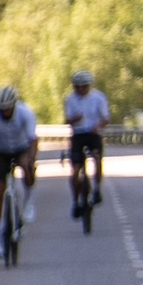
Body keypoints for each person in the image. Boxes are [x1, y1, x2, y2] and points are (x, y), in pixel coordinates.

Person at [0, 84, 38, 224]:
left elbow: (33, 139)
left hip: (20, 147)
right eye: (2, 109)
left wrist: (31, 159)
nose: (5, 112)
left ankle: (28, 200)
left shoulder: (26, 113)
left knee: (27, 165)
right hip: (0, 150)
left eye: (8, 109)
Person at [64, 69, 110, 214]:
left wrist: (98, 126)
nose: (81, 89)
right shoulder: (70, 99)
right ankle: (76, 201)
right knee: (75, 170)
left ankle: (96, 189)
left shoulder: (98, 98)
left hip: (93, 133)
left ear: (89, 86)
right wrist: (74, 120)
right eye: (77, 86)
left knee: (96, 158)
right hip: (78, 135)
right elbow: (67, 120)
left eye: (84, 86)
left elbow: (105, 118)